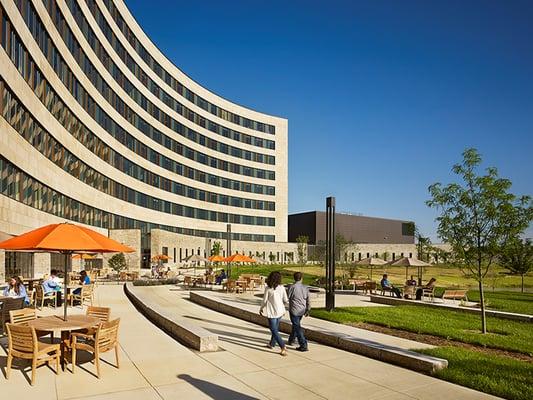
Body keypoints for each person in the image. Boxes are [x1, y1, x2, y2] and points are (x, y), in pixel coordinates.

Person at [259, 271, 288, 356]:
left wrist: (261, 308)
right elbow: (285, 300)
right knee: (275, 328)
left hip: (272, 311)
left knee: (274, 329)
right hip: (280, 311)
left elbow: (264, 301)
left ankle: (283, 346)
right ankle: (272, 344)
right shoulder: (282, 287)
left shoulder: (268, 288)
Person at [287, 272, 310, 352]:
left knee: (297, 326)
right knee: (296, 325)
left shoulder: (291, 287)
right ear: (301, 278)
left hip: (294, 310)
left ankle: (303, 344)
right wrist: (308, 309)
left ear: (294, 278)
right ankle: (291, 340)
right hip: (302, 310)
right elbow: (308, 300)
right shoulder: (305, 288)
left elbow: (288, 297)